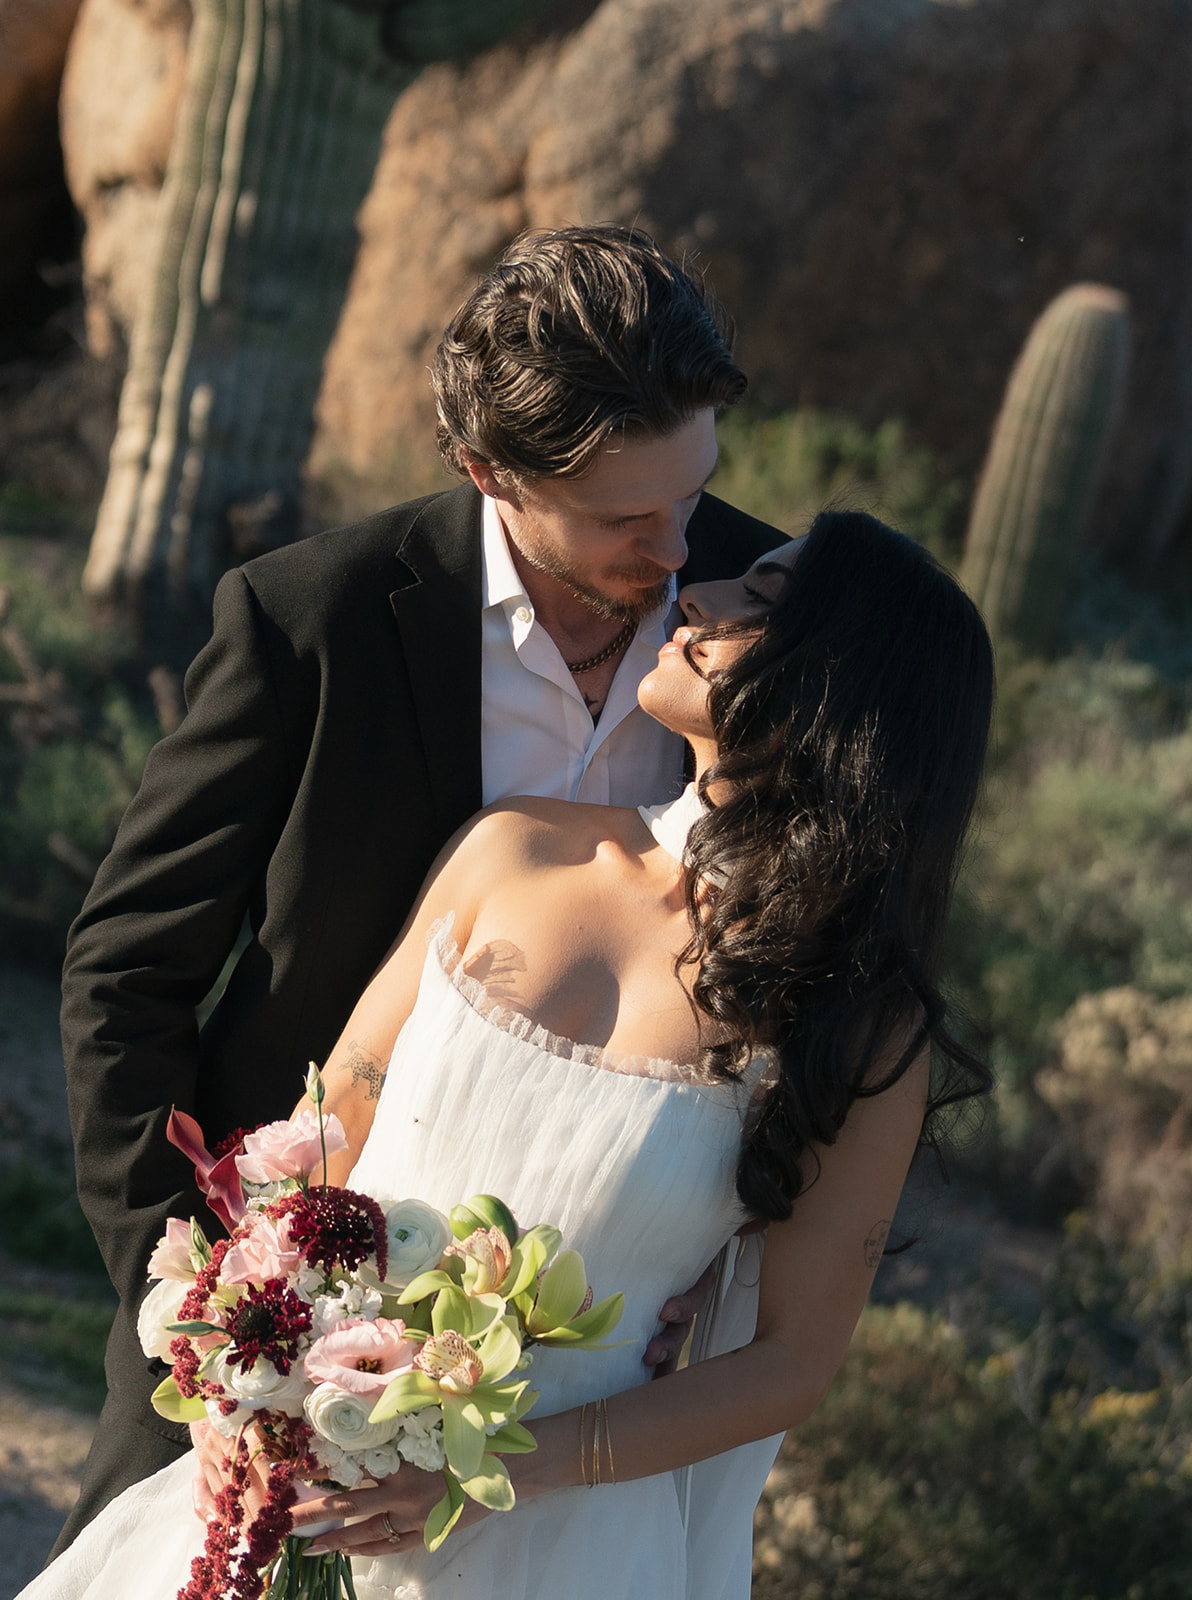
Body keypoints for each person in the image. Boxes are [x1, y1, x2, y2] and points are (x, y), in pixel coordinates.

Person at [22, 511, 994, 1600]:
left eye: (758, 603)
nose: (701, 595)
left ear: (840, 688)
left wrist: (487, 1475)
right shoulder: (512, 848)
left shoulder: (854, 1027)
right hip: (293, 1482)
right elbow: (324, 1135)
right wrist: (250, 1378)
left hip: (565, 1541)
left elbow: (788, 1365)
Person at [54, 224, 782, 1552]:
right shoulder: (313, 621)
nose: (678, 546)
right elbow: (126, 973)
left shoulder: (771, 624)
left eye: (694, 490)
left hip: (583, 1387)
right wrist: (204, 1296)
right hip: (269, 1321)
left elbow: (841, 968)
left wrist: (724, 1261)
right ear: (488, 470)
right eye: (625, 516)